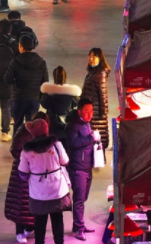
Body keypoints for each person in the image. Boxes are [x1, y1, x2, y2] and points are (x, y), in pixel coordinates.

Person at [18, 118, 71, 244]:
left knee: (40, 221)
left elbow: (23, 174)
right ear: (47, 131)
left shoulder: (26, 151)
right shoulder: (56, 145)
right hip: (57, 190)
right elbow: (65, 161)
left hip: (38, 192)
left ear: (33, 133)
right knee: (57, 219)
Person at [5, 113, 50, 243]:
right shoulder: (23, 132)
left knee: (33, 202)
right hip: (22, 174)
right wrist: (29, 158)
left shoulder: (42, 135)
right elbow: (15, 151)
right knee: (21, 203)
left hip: (36, 174)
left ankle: (30, 228)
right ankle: (19, 231)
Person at [64, 99, 98, 240]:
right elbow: (73, 143)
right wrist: (91, 137)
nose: (89, 114)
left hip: (87, 167)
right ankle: (79, 228)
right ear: (79, 111)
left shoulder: (86, 124)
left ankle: (79, 224)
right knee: (78, 199)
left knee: (83, 198)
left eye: (91, 111)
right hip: (78, 168)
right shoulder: (73, 126)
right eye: (86, 111)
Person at [4, 31, 49, 134]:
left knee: (18, 125)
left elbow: (7, 79)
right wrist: (39, 96)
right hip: (34, 99)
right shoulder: (41, 62)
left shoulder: (15, 61)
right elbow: (45, 82)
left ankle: (17, 148)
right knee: (32, 126)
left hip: (18, 98)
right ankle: (31, 147)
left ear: (21, 47)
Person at [40, 67, 81, 140]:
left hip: (52, 124)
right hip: (66, 123)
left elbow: (43, 103)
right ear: (66, 77)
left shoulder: (48, 93)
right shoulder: (71, 94)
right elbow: (77, 103)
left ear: (53, 77)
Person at [81, 48, 111, 144]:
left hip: (96, 114)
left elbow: (102, 94)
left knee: (97, 142)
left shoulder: (100, 73)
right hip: (91, 112)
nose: (91, 58)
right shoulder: (92, 73)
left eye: (94, 56)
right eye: (90, 56)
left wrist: (103, 112)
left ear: (100, 58)